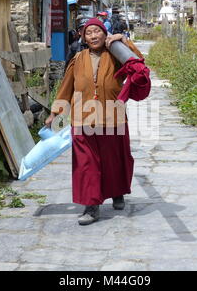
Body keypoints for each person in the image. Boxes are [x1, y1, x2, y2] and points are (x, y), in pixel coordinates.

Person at [45, 18, 144, 225]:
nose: (93, 36)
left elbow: (138, 65)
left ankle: (117, 192)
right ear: (83, 37)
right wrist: (56, 113)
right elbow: (66, 87)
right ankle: (91, 206)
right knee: (86, 163)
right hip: (83, 118)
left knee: (115, 159)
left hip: (112, 115)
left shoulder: (116, 54)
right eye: (88, 33)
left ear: (105, 34)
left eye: (97, 31)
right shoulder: (77, 59)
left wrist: (125, 42)